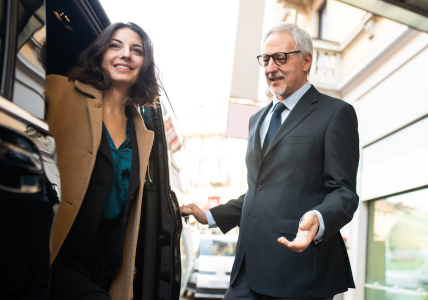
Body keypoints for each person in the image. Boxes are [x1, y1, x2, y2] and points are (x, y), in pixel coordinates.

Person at [182, 22, 359, 300]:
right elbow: (260, 190)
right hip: (246, 270)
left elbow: (344, 192)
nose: (270, 67)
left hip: (298, 274)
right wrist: (210, 215)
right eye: (265, 59)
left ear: (306, 61)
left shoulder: (336, 113)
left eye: (281, 58)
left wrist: (318, 217)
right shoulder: (256, 119)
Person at [44, 22, 158, 300]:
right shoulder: (59, 92)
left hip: (105, 266)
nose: (126, 54)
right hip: (58, 250)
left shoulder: (142, 133)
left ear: (144, 65)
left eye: (136, 50)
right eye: (115, 45)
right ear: (100, 53)